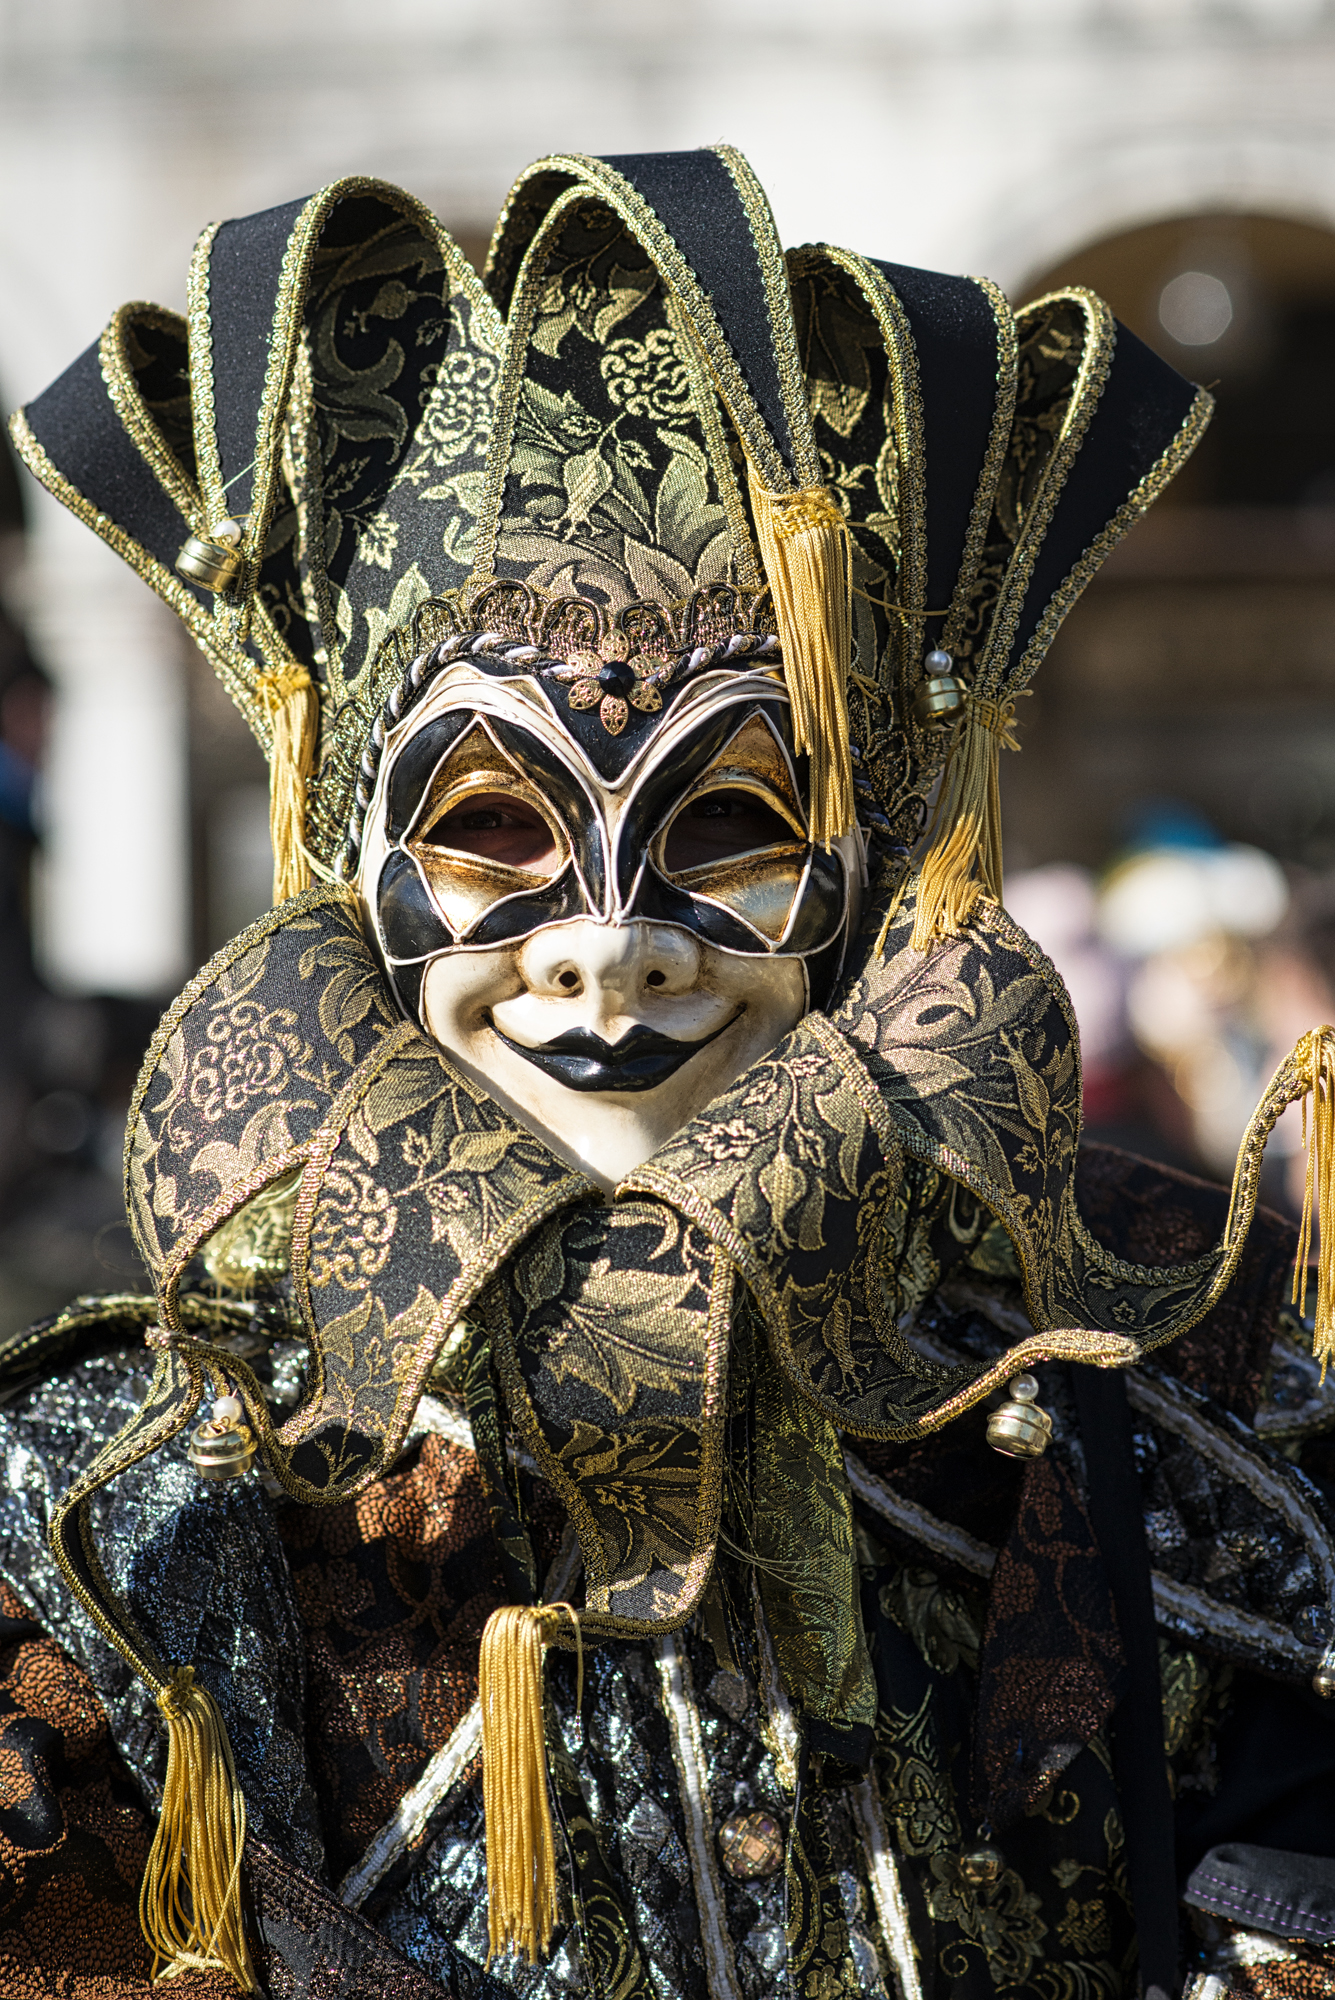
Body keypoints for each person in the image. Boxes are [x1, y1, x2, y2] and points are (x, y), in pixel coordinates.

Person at [3, 147, 1334, 2000]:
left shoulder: (1147, 1409)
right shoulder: (139, 1510)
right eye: (488, 829)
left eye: (728, 821)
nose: (612, 942)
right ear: (351, 862)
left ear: (865, 866)